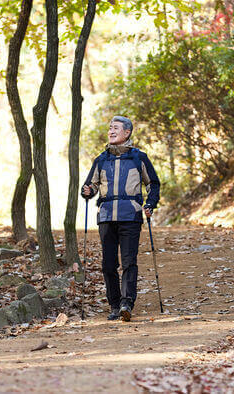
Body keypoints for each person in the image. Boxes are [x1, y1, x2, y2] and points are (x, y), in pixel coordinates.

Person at [81, 116, 160, 322]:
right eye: (109, 128)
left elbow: (153, 183)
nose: (111, 131)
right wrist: (87, 190)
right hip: (106, 216)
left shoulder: (138, 158)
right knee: (108, 264)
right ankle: (114, 305)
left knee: (128, 262)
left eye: (115, 128)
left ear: (127, 132)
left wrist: (150, 204)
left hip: (130, 216)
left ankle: (127, 303)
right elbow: (91, 186)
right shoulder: (101, 159)